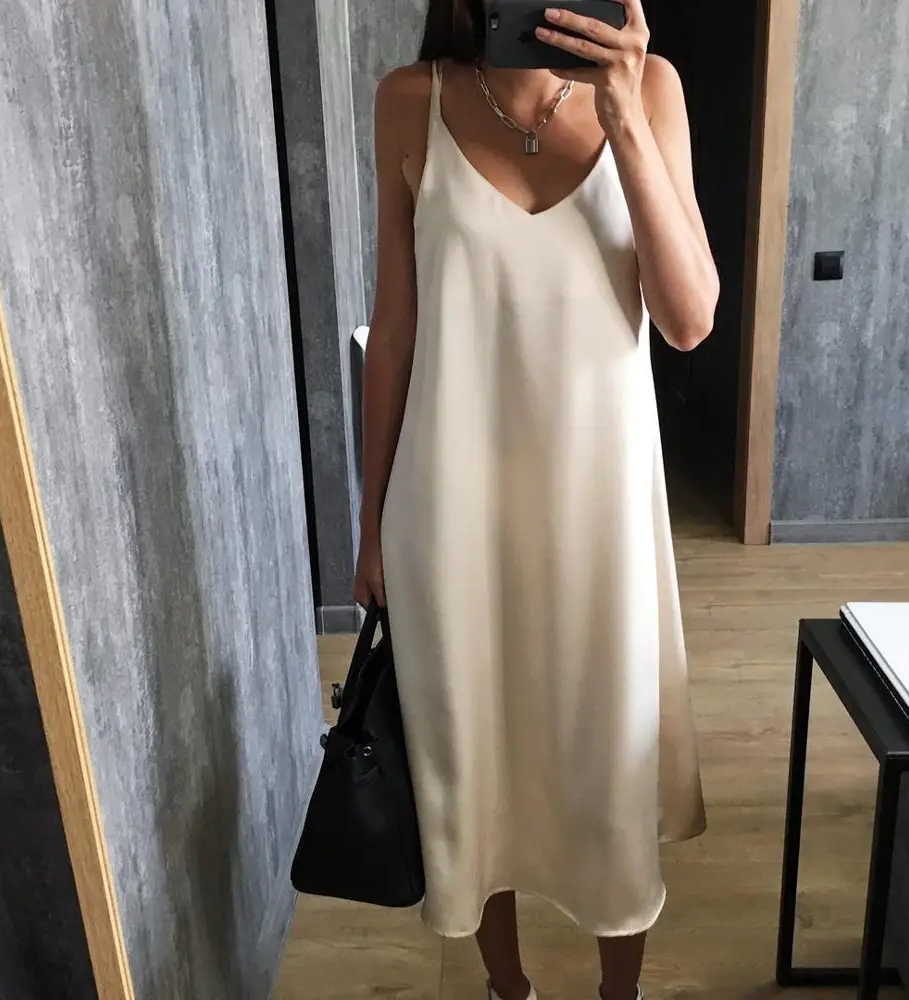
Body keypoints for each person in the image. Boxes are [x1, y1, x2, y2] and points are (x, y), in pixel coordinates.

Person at [353, 0, 715, 996]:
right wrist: (371, 523)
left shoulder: (651, 90)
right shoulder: (409, 100)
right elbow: (394, 330)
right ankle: (506, 988)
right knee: (475, 750)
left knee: (606, 749)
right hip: (449, 502)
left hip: (602, 512)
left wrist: (624, 116)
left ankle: (617, 991)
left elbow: (687, 318)